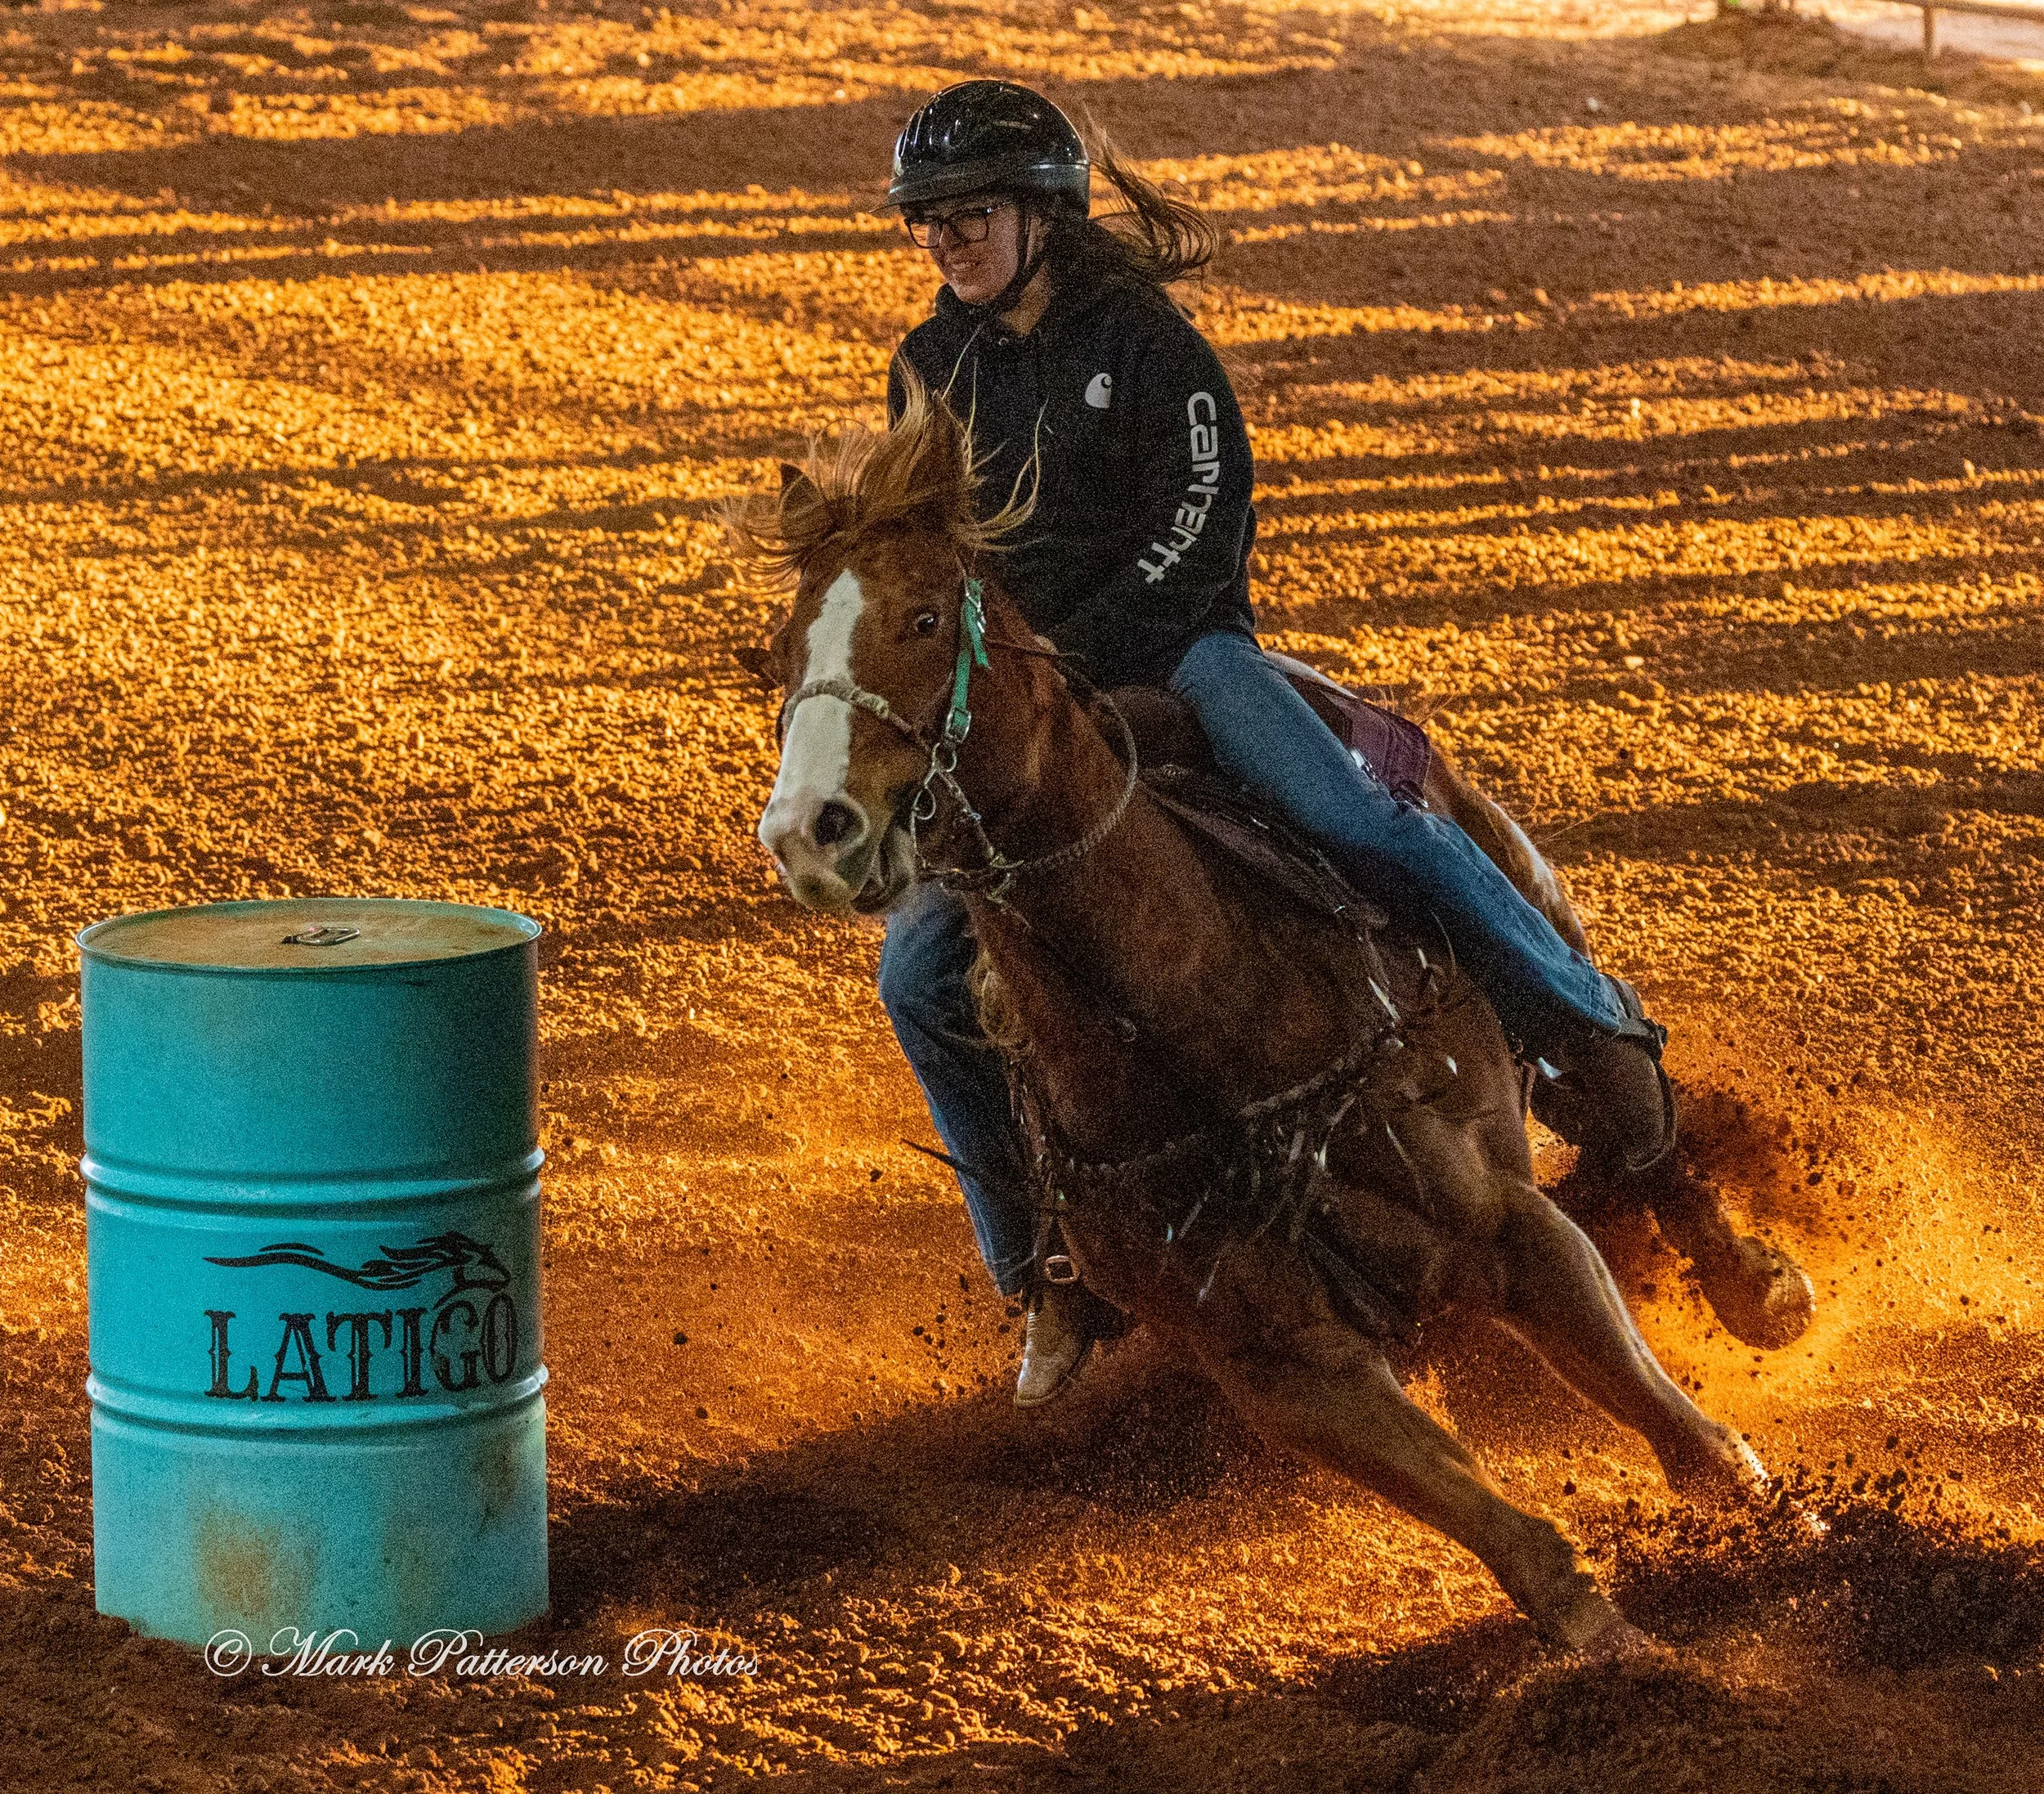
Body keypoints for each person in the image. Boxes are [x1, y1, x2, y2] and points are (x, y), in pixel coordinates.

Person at [876, 80, 1674, 1406]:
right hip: (1021, 697)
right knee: (917, 975)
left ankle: (1579, 1019)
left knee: (1360, 818)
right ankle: (1044, 1273)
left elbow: (1202, 523)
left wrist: (1083, 656)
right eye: (929, 223)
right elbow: (925, 548)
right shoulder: (927, 364)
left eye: (969, 217)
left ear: (1043, 216)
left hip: (1182, 652)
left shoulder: (1147, 343)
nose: (946, 244)